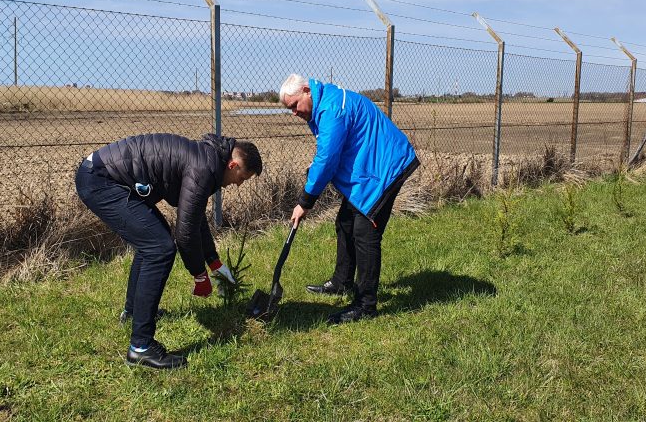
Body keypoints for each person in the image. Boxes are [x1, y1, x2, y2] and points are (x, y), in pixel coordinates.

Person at [75, 133, 262, 369]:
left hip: (103, 176)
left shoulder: (207, 158)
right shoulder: (204, 167)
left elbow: (193, 218)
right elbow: (185, 234)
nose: (238, 184)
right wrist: (199, 274)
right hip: (101, 181)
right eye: (241, 177)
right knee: (158, 248)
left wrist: (212, 260)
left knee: (152, 242)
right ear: (233, 165)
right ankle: (140, 347)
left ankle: (134, 314)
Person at [280, 73, 419, 324]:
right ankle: (342, 282)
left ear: (306, 90)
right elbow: (332, 151)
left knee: (365, 233)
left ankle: (366, 305)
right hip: (371, 166)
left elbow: (327, 160)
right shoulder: (325, 103)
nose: (294, 112)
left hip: (385, 168)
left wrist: (305, 202)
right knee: (345, 222)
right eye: (288, 109)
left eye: (294, 105)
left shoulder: (332, 109)